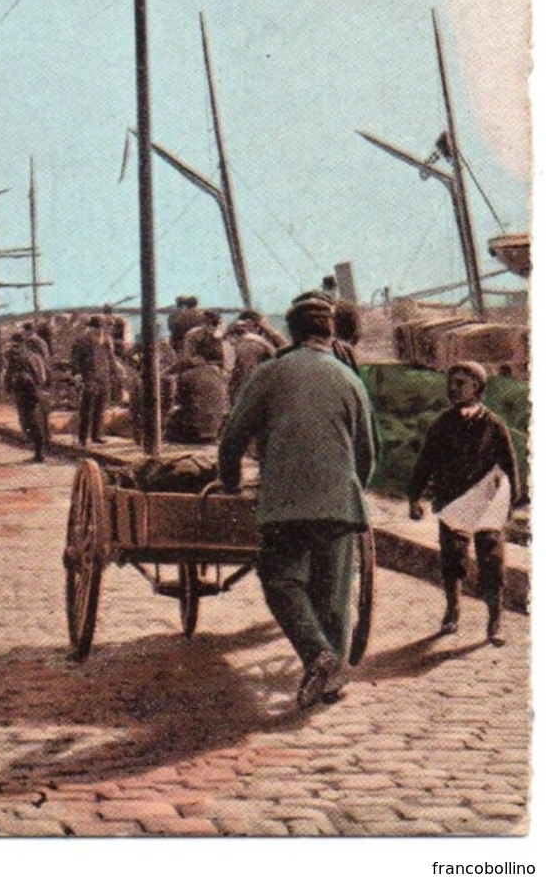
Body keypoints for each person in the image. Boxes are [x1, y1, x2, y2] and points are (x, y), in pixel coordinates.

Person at [218, 293, 376, 709]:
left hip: (285, 501)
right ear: (330, 332)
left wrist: (230, 482)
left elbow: (233, 435)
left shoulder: (270, 373)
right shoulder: (350, 380)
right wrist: (352, 489)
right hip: (340, 502)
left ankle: (319, 658)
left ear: (291, 331)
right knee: (333, 596)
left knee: (280, 578)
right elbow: (367, 453)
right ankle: (331, 678)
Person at [407, 361, 521, 645]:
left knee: (492, 563)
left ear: (478, 388)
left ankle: (495, 621)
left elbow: (509, 465)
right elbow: (426, 462)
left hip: (487, 503)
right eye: (451, 383)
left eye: (461, 384)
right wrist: (415, 496)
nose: (453, 389)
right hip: (452, 500)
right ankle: (452, 612)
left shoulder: (493, 425)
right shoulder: (442, 424)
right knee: (452, 560)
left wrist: (511, 502)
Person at [165, 335, 231, 444]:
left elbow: (178, 401)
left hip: (194, 431)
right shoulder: (219, 374)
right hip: (215, 430)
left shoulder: (187, 375)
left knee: (173, 415)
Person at [70, 316, 119, 446]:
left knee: (100, 407)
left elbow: (111, 358)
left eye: (102, 328)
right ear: (91, 328)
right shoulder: (82, 341)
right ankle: (83, 438)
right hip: (89, 377)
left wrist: (116, 370)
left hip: (103, 377)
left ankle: (96, 435)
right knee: (87, 408)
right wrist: (77, 374)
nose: (100, 331)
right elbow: (75, 360)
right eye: (97, 328)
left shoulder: (106, 341)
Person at [3, 331, 50, 462]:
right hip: (36, 390)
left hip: (23, 391)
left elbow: (9, 373)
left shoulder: (15, 356)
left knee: (29, 420)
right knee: (37, 418)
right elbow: (43, 376)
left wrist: (7, 389)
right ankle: (40, 450)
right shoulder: (35, 356)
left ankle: (38, 454)